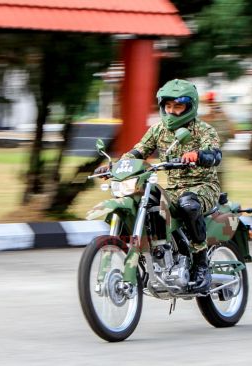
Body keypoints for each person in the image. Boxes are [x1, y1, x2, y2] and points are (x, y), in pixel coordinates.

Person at [95, 79, 222, 292]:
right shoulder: (158, 130)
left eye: (178, 106)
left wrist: (198, 155)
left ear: (190, 107)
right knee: (146, 200)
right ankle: (154, 256)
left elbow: (215, 154)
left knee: (188, 204)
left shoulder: (203, 130)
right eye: (168, 106)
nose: (171, 111)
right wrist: (116, 167)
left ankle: (201, 264)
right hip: (173, 188)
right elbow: (138, 152)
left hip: (203, 186)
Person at [201, 91, 234, 191]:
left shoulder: (221, 119)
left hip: (216, 161)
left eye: (212, 103)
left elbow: (231, 134)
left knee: (219, 191)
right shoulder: (203, 119)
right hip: (203, 162)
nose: (211, 106)